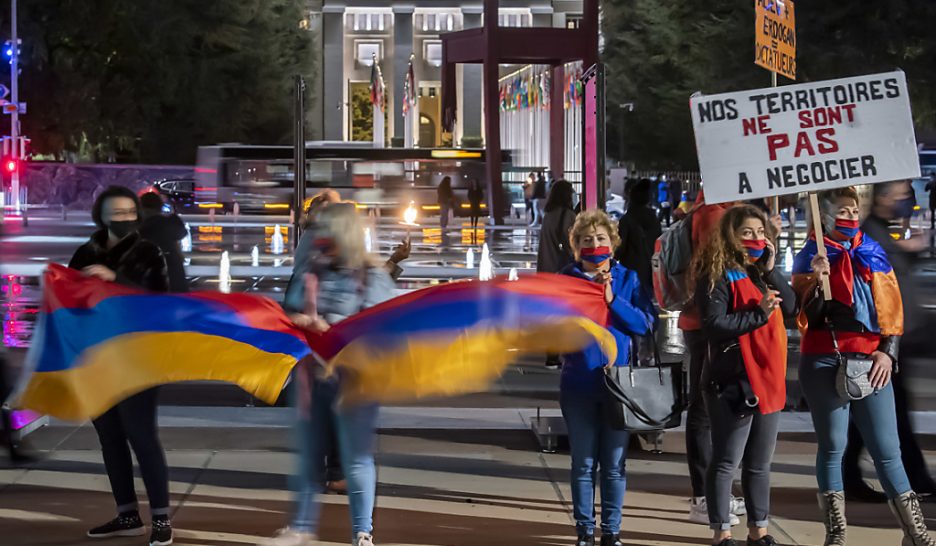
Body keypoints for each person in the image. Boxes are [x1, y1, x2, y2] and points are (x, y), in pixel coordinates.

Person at [792, 187, 936, 546]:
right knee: (833, 446)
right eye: (842, 209)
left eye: (854, 209)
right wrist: (814, 281)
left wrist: (888, 351)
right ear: (825, 214)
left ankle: (916, 534)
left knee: (888, 449)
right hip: (824, 357)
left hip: (872, 360)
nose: (850, 215)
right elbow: (804, 318)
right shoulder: (811, 255)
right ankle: (836, 533)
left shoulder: (873, 252)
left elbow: (893, 312)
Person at [262, 202, 396, 546]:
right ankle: (301, 527)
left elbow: (379, 329)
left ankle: (362, 532)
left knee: (356, 458)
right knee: (309, 457)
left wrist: (329, 328)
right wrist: (300, 321)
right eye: (318, 230)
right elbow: (287, 313)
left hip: (353, 382)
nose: (320, 238)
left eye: (327, 231)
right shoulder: (310, 271)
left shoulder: (372, 276)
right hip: (310, 379)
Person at [68, 186, 173, 546]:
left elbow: (161, 302)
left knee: (141, 436)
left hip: (138, 357)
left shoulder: (149, 252)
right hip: (97, 357)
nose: (124, 218)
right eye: (117, 213)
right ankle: (127, 514)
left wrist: (117, 281)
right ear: (101, 216)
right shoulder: (86, 252)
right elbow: (70, 300)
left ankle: (161, 519)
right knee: (109, 437)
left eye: (130, 212)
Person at [691, 205, 795, 546]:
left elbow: (792, 307)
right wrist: (758, 314)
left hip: (769, 378)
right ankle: (722, 533)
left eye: (760, 232)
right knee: (726, 461)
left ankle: (759, 531)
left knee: (759, 464)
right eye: (746, 233)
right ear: (730, 237)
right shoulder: (716, 272)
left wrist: (771, 270)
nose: (755, 238)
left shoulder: (760, 271)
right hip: (734, 380)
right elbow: (714, 325)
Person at [558, 210, 657, 546]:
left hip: (619, 386)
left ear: (612, 245)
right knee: (583, 462)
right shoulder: (566, 281)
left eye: (600, 239)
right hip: (578, 384)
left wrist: (613, 300)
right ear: (576, 247)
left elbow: (644, 324)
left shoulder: (627, 279)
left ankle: (611, 532)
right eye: (586, 240)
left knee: (614, 464)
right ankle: (585, 530)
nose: (594, 245)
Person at [842, 181, 936, 502]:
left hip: (898, 338)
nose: (906, 201)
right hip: (886, 340)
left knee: (874, 414)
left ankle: (849, 475)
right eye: (900, 196)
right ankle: (915, 479)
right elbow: (882, 286)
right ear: (882, 199)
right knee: (892, 413)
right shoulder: (872, 234)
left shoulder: (885, 231)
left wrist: (913, 247)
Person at [677, 190, 746, 526]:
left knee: (712, 409)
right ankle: (703, 497)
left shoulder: (721, 210)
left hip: (709, 323)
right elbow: (719, 266)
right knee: (705, 410)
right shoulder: (714, 214)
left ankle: (714, 491)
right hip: (707, 324)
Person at [615, 179, 661, 292]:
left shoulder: (627, 219)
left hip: (630, 270)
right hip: (651, 269)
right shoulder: (653, 218)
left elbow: (621, 247)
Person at [139, 192, 189, 293]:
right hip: (173, 267)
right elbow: (182, 233)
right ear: (160, 206)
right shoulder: (169, 223)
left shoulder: (139, 227)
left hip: (147, 270)